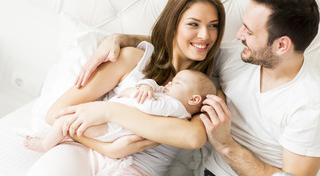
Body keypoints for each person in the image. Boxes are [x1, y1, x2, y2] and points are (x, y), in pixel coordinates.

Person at [70, 0, 320, 176]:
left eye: (249, 30)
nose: (238, 34)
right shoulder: (239, 57)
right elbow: (182, 43)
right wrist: (118, 38)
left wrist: (226, 145)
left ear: (281, 45)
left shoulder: (313, 102)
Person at [12, 0, 226, 176]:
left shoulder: (207, 91)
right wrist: (107, 148)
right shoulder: (133, 59)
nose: (205, 35)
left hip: (140, 175)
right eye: (194, 24)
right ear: (173, 24)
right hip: (86, 152)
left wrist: (110, 111)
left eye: (213, 25)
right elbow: (55, 113)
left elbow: (192, 138)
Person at [23, 69, 217, 154]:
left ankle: (46, 144)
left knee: (66, 122)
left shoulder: (176, 107)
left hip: (114, 128)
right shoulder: (169, 97)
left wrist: (135, 91)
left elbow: (147, 105)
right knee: (69, 122)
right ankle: (59, 139)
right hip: (113, 125)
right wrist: (146, 86)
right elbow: (152, 85)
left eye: (177, 83)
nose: (169, 84)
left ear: (194, 100)